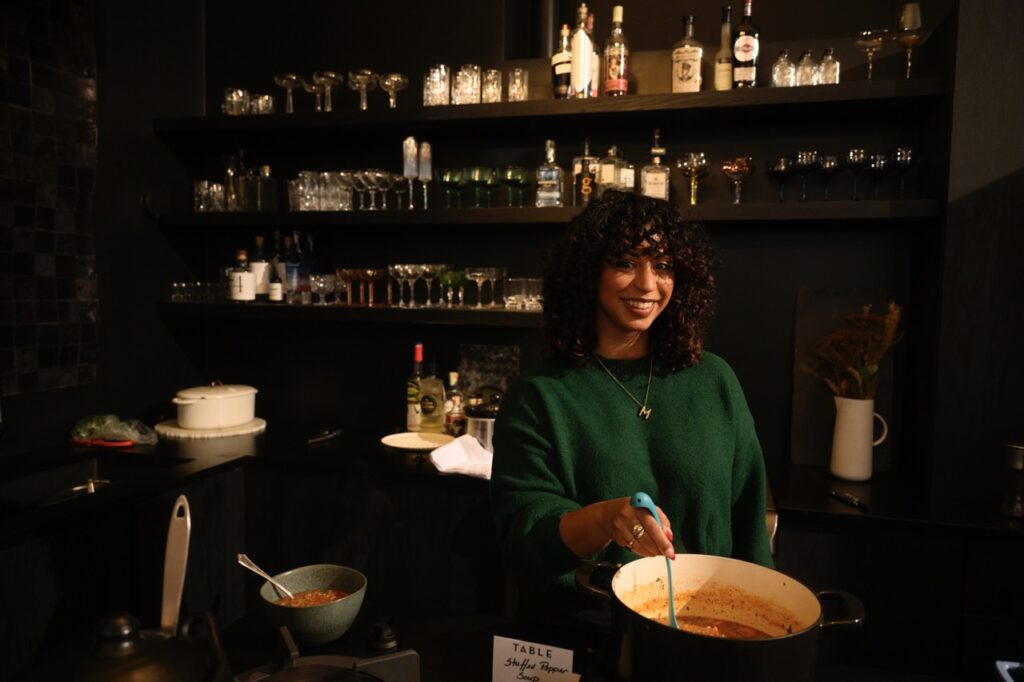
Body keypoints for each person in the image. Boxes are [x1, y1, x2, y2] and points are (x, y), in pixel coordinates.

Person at [490, 190, 772, 605]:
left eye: (662, 266)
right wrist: (605, 519)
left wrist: (759, 616)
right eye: (624, 262)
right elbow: (525, 540)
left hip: (706, 624)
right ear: (588, 272)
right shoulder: (540, 395)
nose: (647, 284)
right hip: (587, 629)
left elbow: (750, 524)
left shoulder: (714, 380)